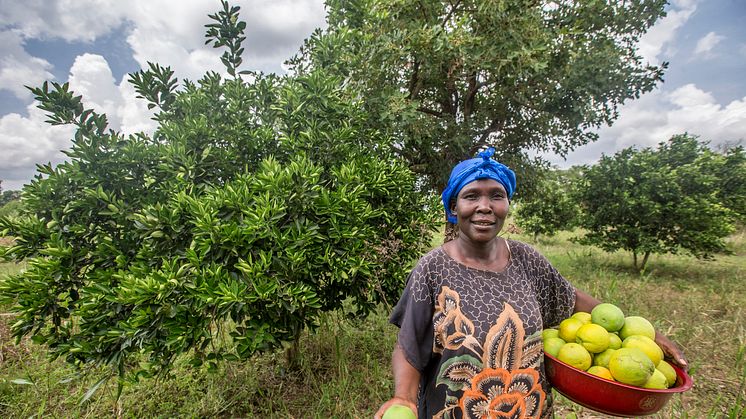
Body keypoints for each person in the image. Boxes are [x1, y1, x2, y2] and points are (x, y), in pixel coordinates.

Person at [374, 148, 687, 419]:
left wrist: (648, 333)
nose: (485, 206)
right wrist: (403, 396)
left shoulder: (527, 259)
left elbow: (572, 299)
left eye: (497, 196)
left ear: (507, 205)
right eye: (471, 196)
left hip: (528, 406)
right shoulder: (432, 268)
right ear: (454, 208)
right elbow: (409, 344)